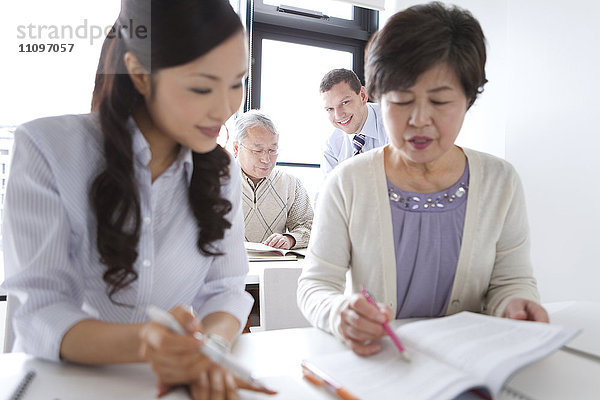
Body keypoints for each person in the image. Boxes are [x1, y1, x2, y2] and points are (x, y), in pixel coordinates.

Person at [1, 1, 273, 398]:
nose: (226, 107)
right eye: (201, 86)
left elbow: (226, 289)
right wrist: (146, 341)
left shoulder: (221, 170)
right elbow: (40, 309)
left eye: (237, 82)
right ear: (140, 74)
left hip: (168, 385)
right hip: (66, 385)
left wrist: (209, 350)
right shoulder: (48, 150)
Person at [298, 1, 549, 357]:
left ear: (468, 99)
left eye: (440, 101)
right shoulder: (347, 182)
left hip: (471, 367)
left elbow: (512, 281)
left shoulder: (500, 181)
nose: (419, 119)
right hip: (380, 368)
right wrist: (340, 313)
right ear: (378, 100)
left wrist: (515, 305)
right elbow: (316, 286)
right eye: (401, 101)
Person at [232, 110, 313, 250]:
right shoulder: (215, 182)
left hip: (274, 266)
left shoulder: (290, 184)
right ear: (236, 148)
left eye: (272, 150)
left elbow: (309, 227)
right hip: (226, 265)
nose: (266, 159)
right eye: (258, 151)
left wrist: (289, 240)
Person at [320, 68, 389, 175]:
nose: (338, 116)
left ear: (362, 96)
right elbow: (326, 190)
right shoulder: (332, 144)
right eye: (330, 109)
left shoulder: (392, 122)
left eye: (344, 102)